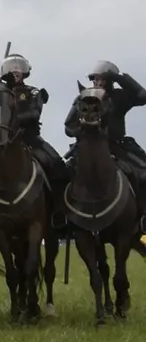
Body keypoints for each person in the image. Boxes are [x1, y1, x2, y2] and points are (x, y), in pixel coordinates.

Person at [65, 60, 146, 230]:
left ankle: (142, 215)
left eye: (103, 79)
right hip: (86, 147)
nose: (98, 82)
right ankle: (61, 214)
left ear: (110, 81)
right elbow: (68, 126)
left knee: (142, 174)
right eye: (95, 79)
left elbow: (142, 96)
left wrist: (120, 77)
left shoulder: (119, 96)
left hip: (117, 146)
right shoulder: (83, 97)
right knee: (62, 173)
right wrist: (84, 130)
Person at [0, 53, 68, 227]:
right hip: (4, 142)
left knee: (58, 166)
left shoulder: (32, 91)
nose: (15, 71)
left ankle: (59, 210)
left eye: (18, 68)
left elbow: (34, 113)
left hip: (31, 140)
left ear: (24, 72)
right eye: (12, 68)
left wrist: (10, 116)